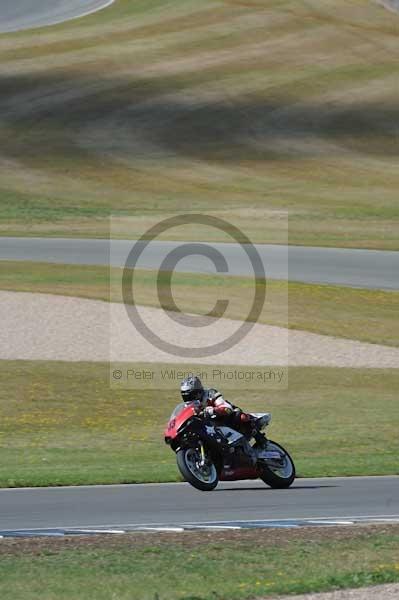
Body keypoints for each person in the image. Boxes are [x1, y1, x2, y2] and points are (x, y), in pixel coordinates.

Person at [180, 375, 257, 460]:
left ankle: (251, 453)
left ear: (198, 392)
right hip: (211, 427)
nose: (188, 399)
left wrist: (213, 410)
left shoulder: (210, 394)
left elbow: (227, 408)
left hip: (227, 418)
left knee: (240, 417)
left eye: (190, 395)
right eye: (185, 396)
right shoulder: (188, 406)